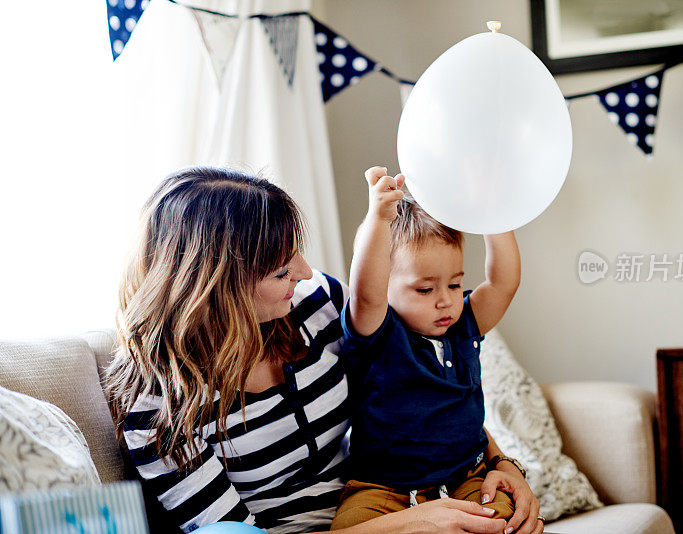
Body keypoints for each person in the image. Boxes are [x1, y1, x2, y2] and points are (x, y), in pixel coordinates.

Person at [105, 166, 543, 534]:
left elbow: (418, 396)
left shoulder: (316, 306)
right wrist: (411, 523)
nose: (306, 271)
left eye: (298, 251)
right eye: (281, 269)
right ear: (218, 285)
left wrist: (501, 465)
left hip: (401, 496)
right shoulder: (157, 407)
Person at [331, 167, 535, 534]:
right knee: (351, 526)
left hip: (466, 477)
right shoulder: (378, 333)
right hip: (382, 490)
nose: (445, 301)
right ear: (387, 286)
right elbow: (366, 293)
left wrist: (493, 211)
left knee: (502, 517)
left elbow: (505, 282)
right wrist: (378, 218)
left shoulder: (465, 324)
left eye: (455, 284)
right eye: (424, 290)